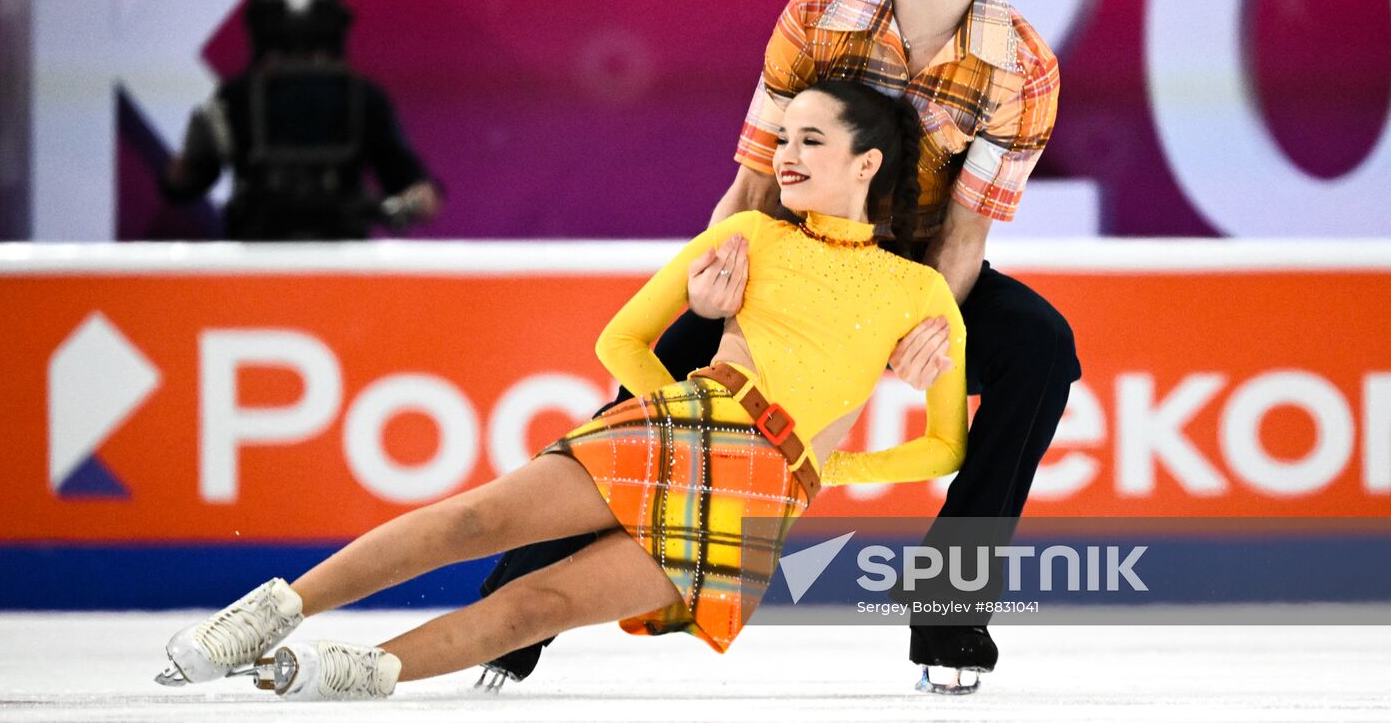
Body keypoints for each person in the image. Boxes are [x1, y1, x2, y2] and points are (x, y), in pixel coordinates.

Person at [480, 0, 1079, 696]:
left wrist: (897, 336)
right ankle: (512, 608)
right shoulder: (820, 13)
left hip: (910, 275)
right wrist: (716, 289)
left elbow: (964, 231)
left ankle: (950, 609)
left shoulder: (1022, 67)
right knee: (648, 396)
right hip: (782, 264)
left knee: (1039, 349)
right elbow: (756, 187)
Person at [153, 80, 968, 701]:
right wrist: (694, 416)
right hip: (680, 428)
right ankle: (274, 609)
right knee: (479, 518)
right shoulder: (750, 233)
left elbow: (945, 446)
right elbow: (621, 340)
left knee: (533, 608)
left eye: (810, 139)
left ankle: (359, 669)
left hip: (755, 500)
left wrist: (815, 470)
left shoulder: (921, 293)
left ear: (867, 162)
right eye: (782, 136)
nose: (784, 153)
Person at [160, 0, 441, 240]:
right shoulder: (363, 95)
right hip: (325, 263)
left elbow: (182, 183)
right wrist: (397, 207)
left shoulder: (234, 97)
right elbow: (422, 197)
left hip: (257, 265)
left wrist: (196, 150)